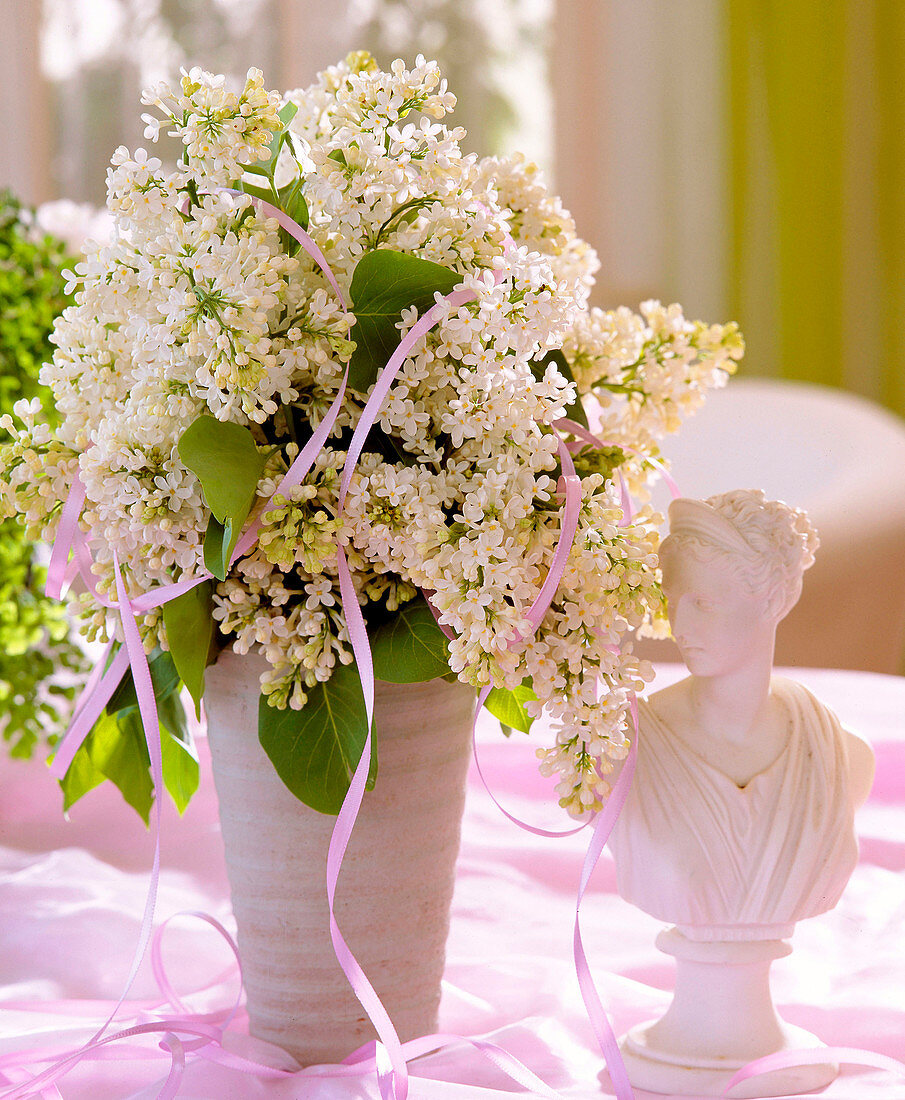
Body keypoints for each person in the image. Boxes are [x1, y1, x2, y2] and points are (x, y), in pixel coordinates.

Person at [610, 488, 875, 940]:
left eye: (704, 604)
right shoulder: (621, 746)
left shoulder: (843, 755)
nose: (680, 627)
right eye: (672, 604)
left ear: (771, 602)